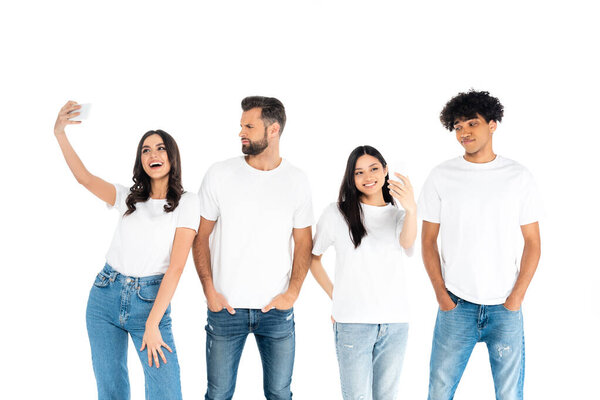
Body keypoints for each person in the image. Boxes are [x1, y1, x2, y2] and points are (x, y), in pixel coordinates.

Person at [54, 101, 200, 400]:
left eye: (160, 148)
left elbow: (176, 268)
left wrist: (152, 323)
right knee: (111, 391)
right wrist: (60, 134)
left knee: (166, 391)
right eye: (145, 150)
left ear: (172, 156)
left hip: (150, 302)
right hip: (105, 296)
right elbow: (84, 178)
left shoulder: (187, 203)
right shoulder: (128, 198)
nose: (153, 155)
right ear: (140, 160)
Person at [419, 90, 542, 400]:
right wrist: (441, 295)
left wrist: (516, 298)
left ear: (492, 124)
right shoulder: (441, 176)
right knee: (439, 391)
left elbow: (533, 243)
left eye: (472, 124)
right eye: (458, 126)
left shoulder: (518, 177)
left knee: (510, 394)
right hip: (456, 305)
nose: (464, 133)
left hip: (505, 306)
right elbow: (428, 240)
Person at [193, 96, 313, 400]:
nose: (241, 132)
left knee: (280, 394)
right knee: (218, 394)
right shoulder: (220, 174)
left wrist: (293, 292)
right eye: (241, 125)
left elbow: (303, 242)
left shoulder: (297, 181)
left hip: (276, 311)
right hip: (225, 309)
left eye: (249, 126)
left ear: (273, 130)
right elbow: (200, 235)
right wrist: (209, 289)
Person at [310, 145, 417, 400]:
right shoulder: (337, 213)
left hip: (395, 322)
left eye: (374, 169)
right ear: (351, 178)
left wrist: (412, 208)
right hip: (353, 323)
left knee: (386, 396)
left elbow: (408, 243)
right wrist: (336, 296)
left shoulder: (399, 216)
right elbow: (314, 259)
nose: (368, 177)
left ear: (385, 170)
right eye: (359, 172)